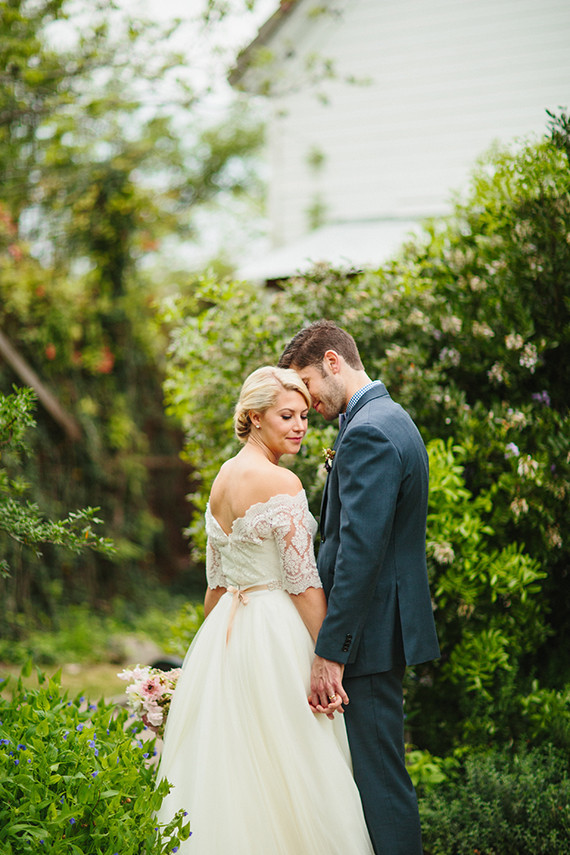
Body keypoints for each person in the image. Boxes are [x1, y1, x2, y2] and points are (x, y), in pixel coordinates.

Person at [155, 365, 374, 854]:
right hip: (276, 633)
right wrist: (331, 660)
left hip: (226, 635)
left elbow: (215, 586)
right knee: (298, 765)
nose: (299, 426)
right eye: (285, 416)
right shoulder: (283, 483)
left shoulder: (221, 480)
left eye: (303, 416)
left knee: (230, 768)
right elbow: (303, 585)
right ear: (254, 417)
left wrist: (201, 662)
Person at [279, 320, 440, 855]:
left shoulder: (369, 430)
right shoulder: (386, 417)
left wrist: (331, 650)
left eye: (306, 380)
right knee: (375, 776)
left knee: (380, 784)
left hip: (366, 640)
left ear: (332, 361)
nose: (307, 398)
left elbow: (359, 555)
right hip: (378, 632)